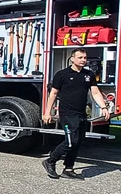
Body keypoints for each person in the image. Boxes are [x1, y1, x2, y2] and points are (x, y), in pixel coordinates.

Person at [42, 49, 111, 179]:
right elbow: (53, 94)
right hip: (67, 114)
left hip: (81, 114)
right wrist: (47, 113)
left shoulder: (89, 74)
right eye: (80, 57)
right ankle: (50, 161)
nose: (83, 60)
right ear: (72, 59)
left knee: (77, 142)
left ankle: (68, 169)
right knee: (70, 142)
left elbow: (95, 93)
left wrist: (103, 107)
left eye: (85, 57)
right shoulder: (62, 74)